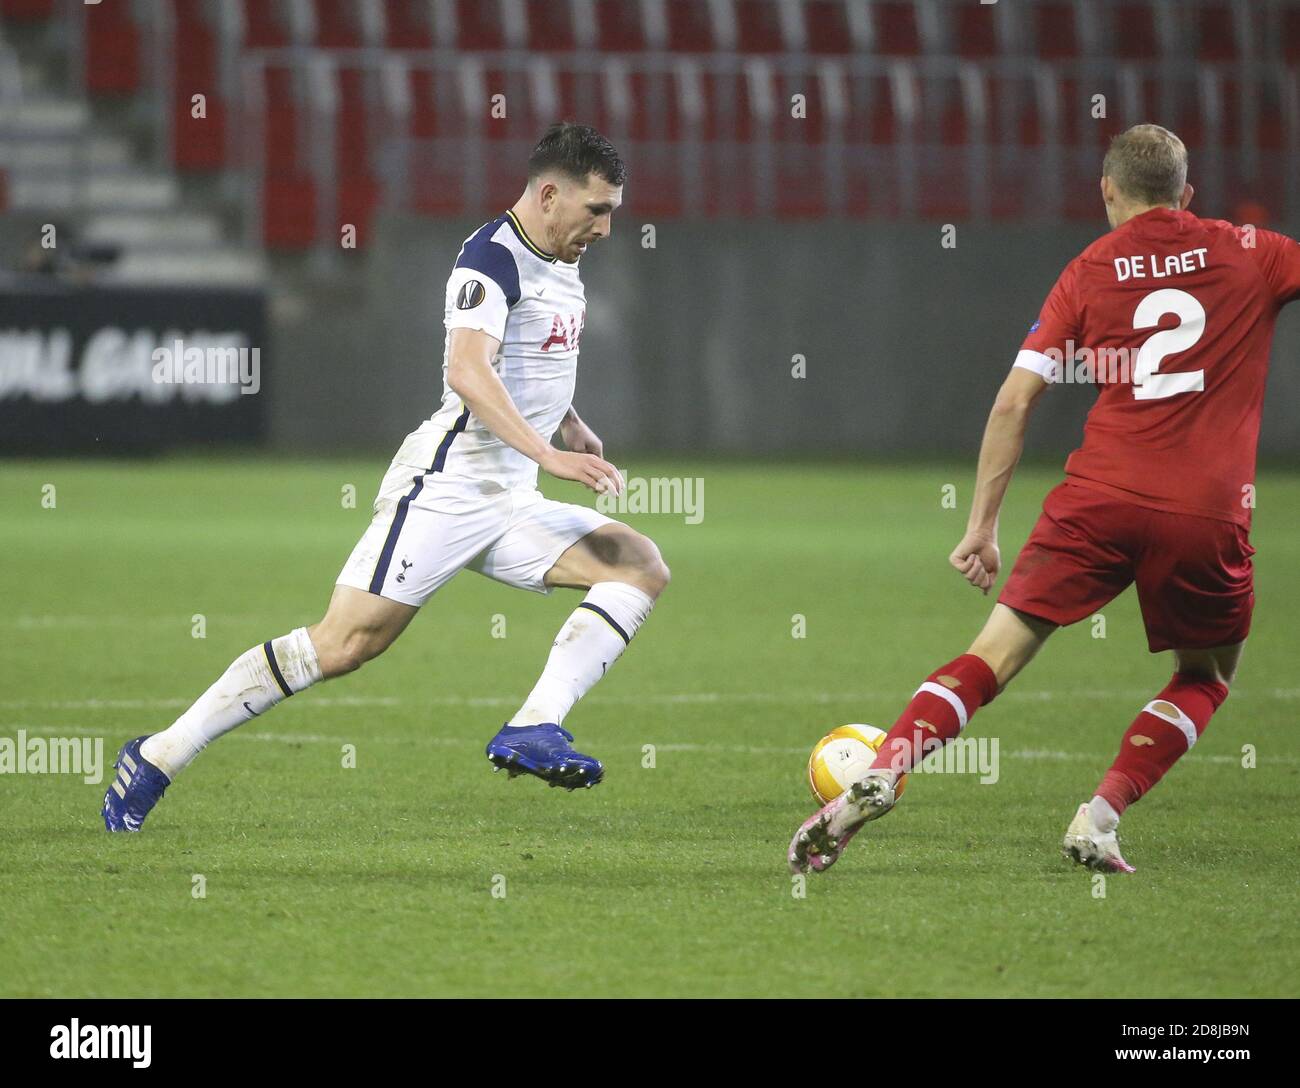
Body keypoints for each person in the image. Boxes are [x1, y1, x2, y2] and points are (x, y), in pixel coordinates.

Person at [104, 122, 669, 832]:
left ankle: (533, 725)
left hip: (511, 497)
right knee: (343, 645)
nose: (608, 227)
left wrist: (567, 422)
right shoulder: (490, 257)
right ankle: (158, 755)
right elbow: (468, 370)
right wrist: (553, 456)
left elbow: (527, 360)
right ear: (550, 194)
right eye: (598, 209)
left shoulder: (561, 255)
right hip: (444, 488)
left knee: (638, 565)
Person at [790, 123, 1300, 875]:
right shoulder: (1254, 251)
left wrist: (982, 528)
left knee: (989, 658)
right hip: (1207, 512)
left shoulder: (1088, 269)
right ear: (1187, 194)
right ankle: (1101, 815)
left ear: (1107, 192)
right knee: (1204, 677)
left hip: (1098, 499)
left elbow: (1014, 403)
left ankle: (890, 765)